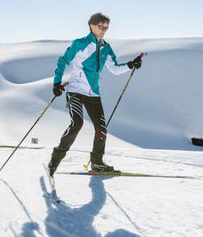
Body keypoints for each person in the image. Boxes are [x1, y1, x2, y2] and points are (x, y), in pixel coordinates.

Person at [47, 12, 144, 175]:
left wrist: (130, 64)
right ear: (92, 26)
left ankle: (97, 162)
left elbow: (114, 68)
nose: (104, 30)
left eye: (106, 27)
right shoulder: (80, 44)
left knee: (101, 129)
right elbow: (63, 60)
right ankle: (54, 160)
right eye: (101, 26)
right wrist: (57, 82)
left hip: (93, 94)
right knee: (77, 123)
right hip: (75, 90)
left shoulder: (106, 47)